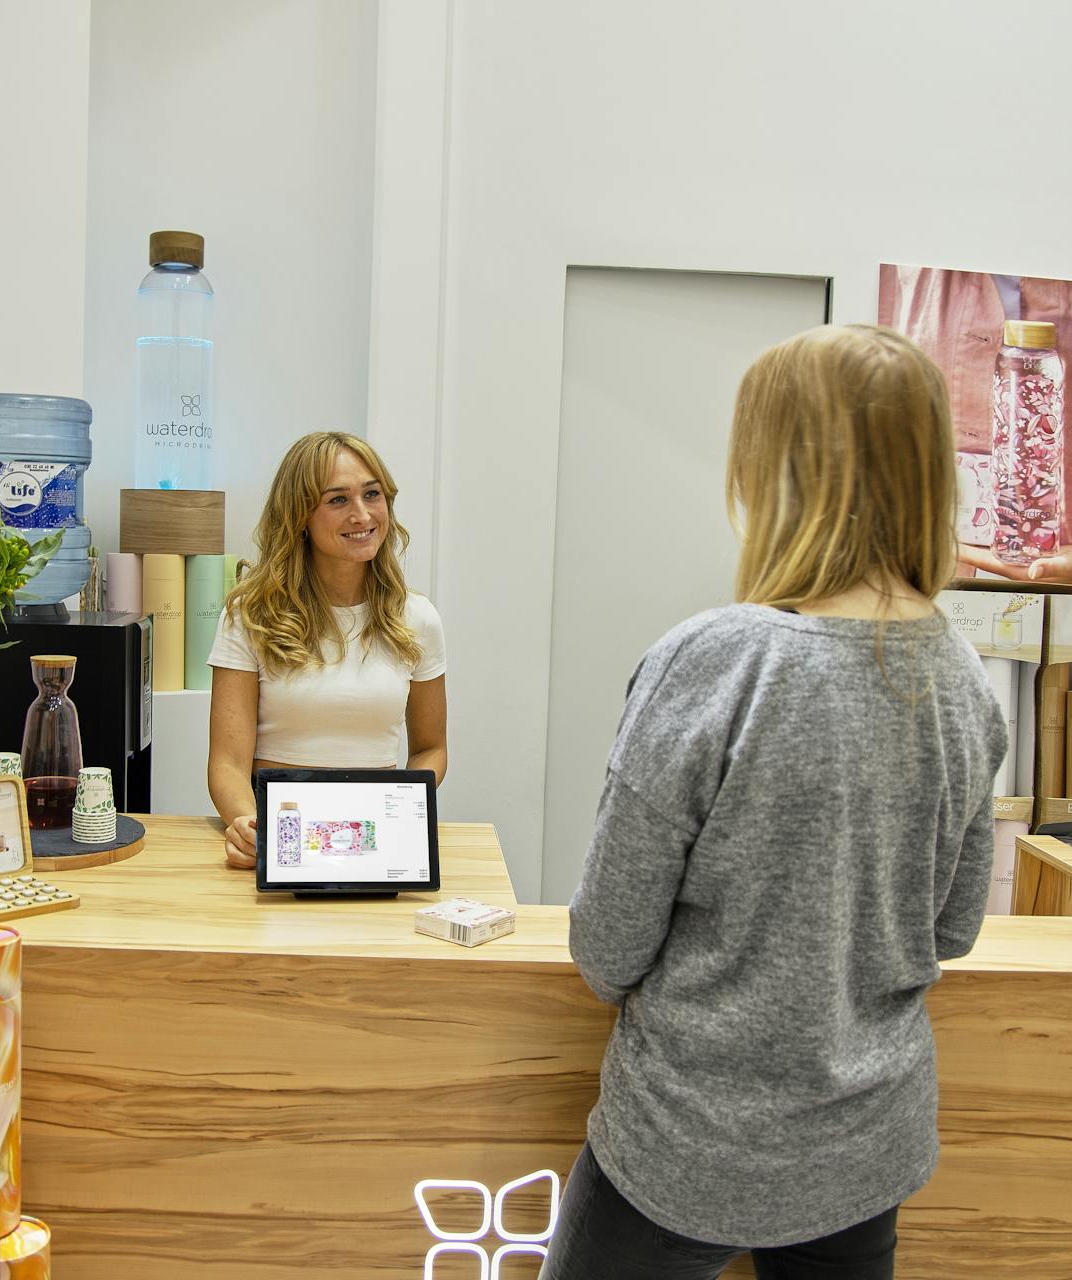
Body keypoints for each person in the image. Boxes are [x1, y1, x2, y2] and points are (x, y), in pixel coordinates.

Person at [541, 325, 1008, 1280]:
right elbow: (951, 932)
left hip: (689, 1146)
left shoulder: (715, 661)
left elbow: (608, 946)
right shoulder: (966, 683)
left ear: (782, 472)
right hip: (866, 1145)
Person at [207, 431, 447, 869]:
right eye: (337, 500)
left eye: (372, 494)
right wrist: (247, 824)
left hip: (375, 836)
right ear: (299, 514)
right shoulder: (250, 614)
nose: (362, 514)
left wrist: (401, 816)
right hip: (281, 830)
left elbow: (431, 749)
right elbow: (226, 763)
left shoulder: (419, 618)